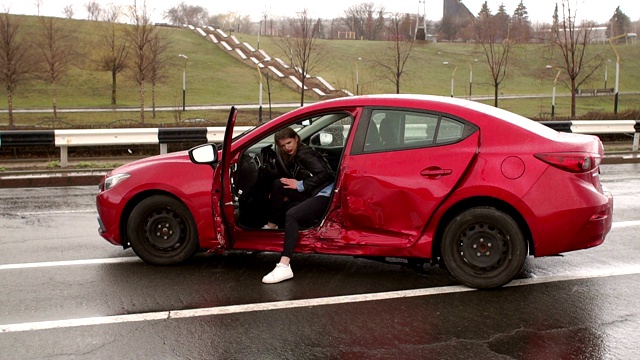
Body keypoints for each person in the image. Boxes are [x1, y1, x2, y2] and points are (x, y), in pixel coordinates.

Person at [261, 127, 335, 284]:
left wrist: (300, 185)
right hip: (314, 190)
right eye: (283, 145)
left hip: (325, 194)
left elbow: (326, 175)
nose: (287, 147)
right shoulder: (295, 153)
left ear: (296, 139)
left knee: (292, 214)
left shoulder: (304, 154)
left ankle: (284, 265)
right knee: (277, 185)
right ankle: (271, 226)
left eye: (289, 142)